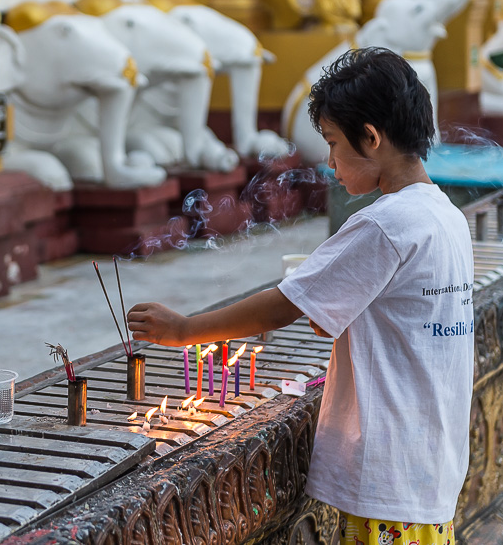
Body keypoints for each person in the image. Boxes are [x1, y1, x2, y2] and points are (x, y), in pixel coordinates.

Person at [128, 47, 474, 545]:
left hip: (388, 475)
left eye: (333, 143)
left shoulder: (385, 224)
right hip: (429, 463)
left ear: (371, 138)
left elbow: (286, 305)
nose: (330, 163)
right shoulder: (444, 215)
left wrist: (184, 330)